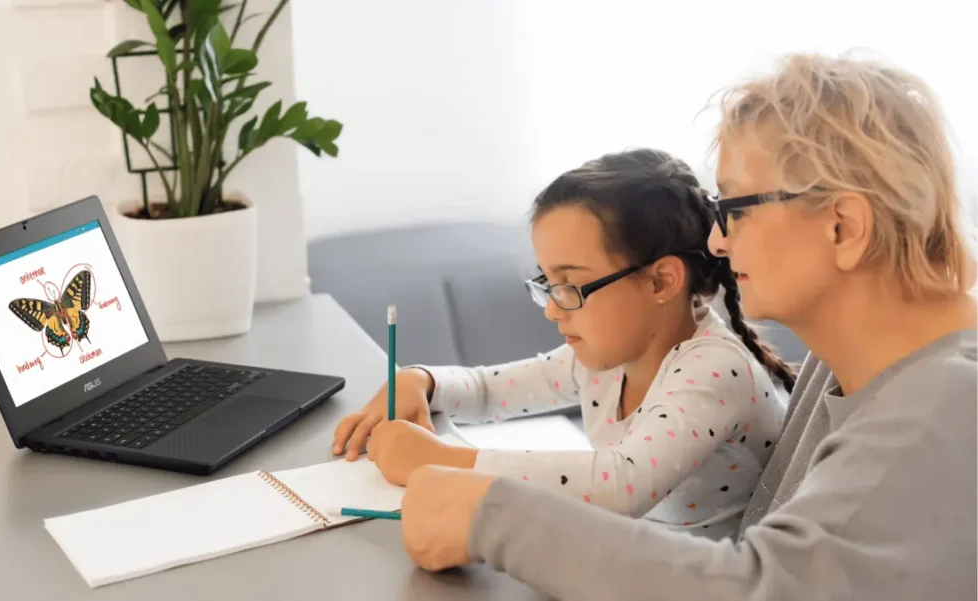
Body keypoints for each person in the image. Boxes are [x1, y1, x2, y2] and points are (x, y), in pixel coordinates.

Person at [396, 52, 977, 600]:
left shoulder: (940, 408)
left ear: (843, 227)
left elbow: (755, 588)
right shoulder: (858, 362)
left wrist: (490, 515)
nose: (718, 241)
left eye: (736, 209)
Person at [333, 148, 796, 538]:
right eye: (547, 283)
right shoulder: (606, 358)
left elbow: (620, 486)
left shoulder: (713, 369)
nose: (553, 309)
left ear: (660, 282)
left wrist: (442, 461)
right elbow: (490, 390)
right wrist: (421, 381)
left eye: (571, 285)